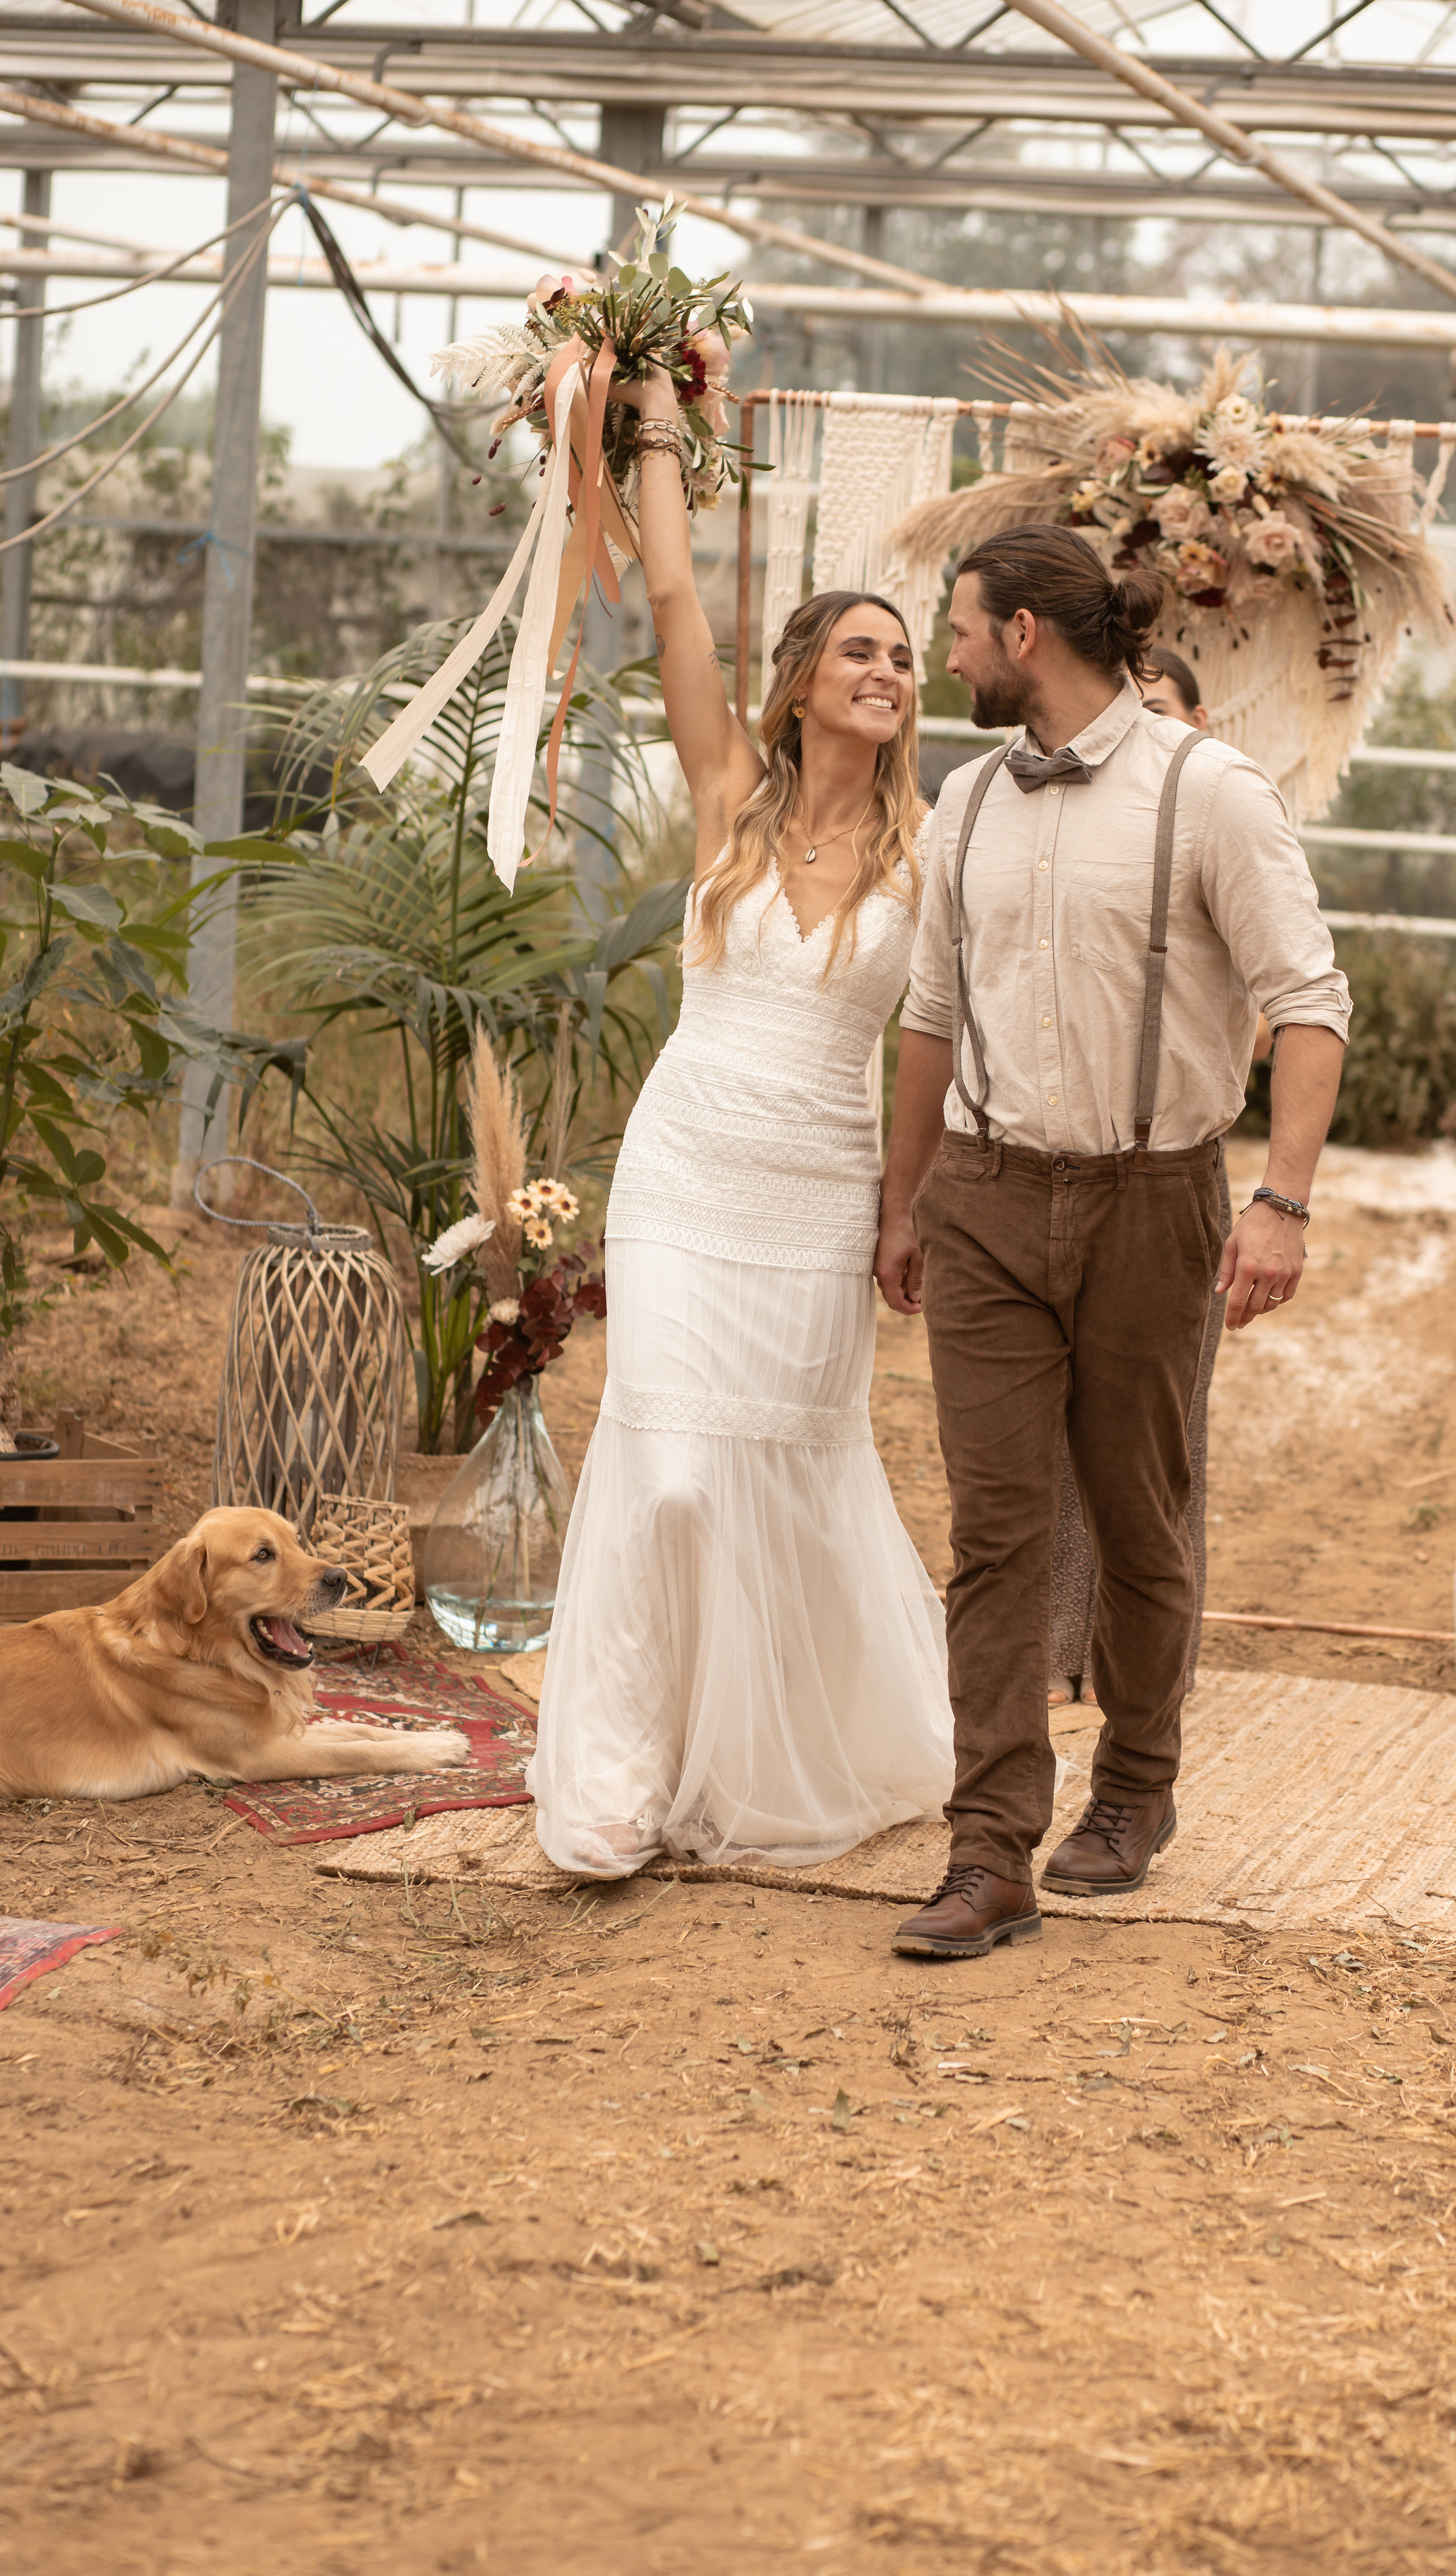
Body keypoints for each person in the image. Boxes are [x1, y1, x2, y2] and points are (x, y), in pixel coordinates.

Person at [877, 523, 1347, 1958]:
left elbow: (1309, 1003)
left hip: (1154, 1202)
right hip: (986, 1199)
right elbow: (927, 1020)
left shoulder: (1208, 794)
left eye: (958, 627)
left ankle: (1135, 1787)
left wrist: (1278, 1202)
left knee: (1139, 1516)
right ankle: (987, 1849)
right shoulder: (962, 804)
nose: (942, 655)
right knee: (997, 1531)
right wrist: (900, 1203)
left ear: (1024, 634)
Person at [527, 361, 954, 1879]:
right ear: (797, 680)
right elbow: (674, 608)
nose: (890, 671)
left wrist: (905, 1211)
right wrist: (648, 416)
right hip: (686, 1171)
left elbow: (931, 1049)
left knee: (782, 1471)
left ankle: (782, 1743)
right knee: (671, 1470)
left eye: (905, 656)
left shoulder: (932, 852)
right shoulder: (727, 795)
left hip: (820, 1194)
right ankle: (619, 1777)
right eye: (859, 647)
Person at [1048, 643, 1262, 1705]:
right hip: (1045, 1171)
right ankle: (1057, 1649)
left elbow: (1266, 1012)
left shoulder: (1222, 824)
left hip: (1168, 1167)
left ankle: (1140, 1669)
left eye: (1157, 706)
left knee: (1158, 1444)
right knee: (1045, 1441)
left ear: (1196, 718)